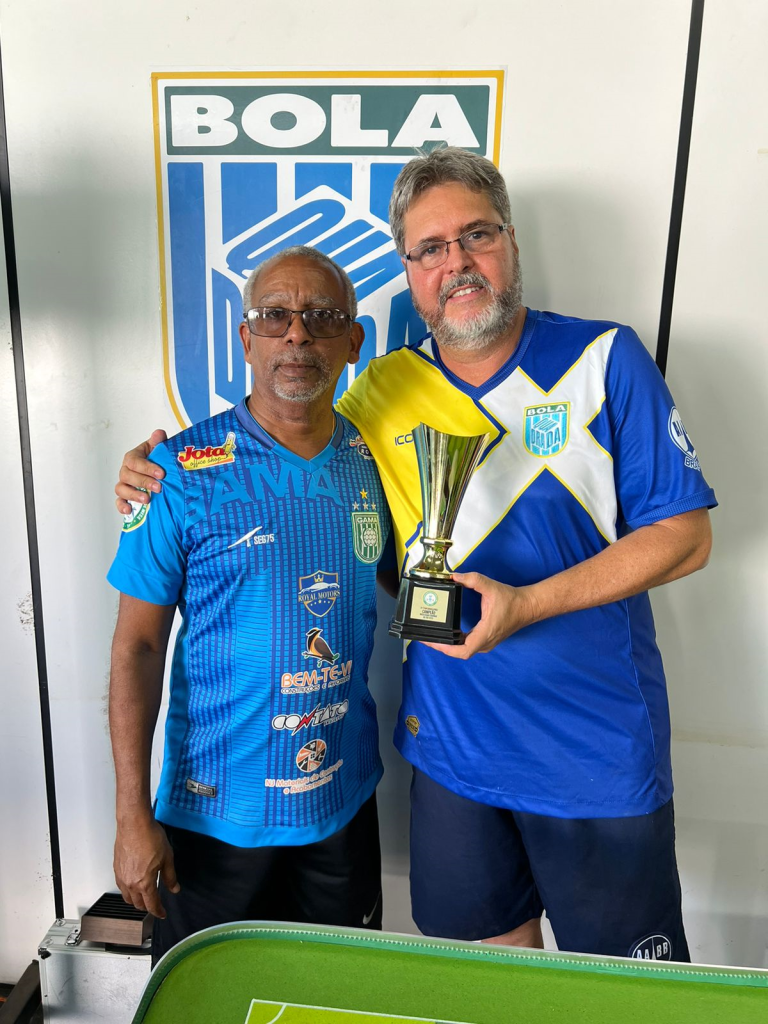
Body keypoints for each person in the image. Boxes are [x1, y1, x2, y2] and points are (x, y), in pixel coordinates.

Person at [115, 148, 715, 962]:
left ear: (511, 241)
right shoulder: (375, 394)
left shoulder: (606, 359)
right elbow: (298, 459)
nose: (455, 262)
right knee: (482, 982)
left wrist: (529, 604)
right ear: (409, 271)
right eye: (430, 248)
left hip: (590, 756)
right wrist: (149, 473)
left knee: (619, 1000)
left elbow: (686, 536)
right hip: (449, 760)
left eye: (477, 235)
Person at [108, 247, 394, 965]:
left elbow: (412, 581)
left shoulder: (379, 462)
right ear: (245, 338)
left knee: (337, 1005)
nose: (297, 334)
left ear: (353, 341)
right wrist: (131, 816)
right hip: (215, 818)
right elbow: (137, 648)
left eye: (322, 317)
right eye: (274, 316)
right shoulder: (175, 472)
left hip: (341, 806)